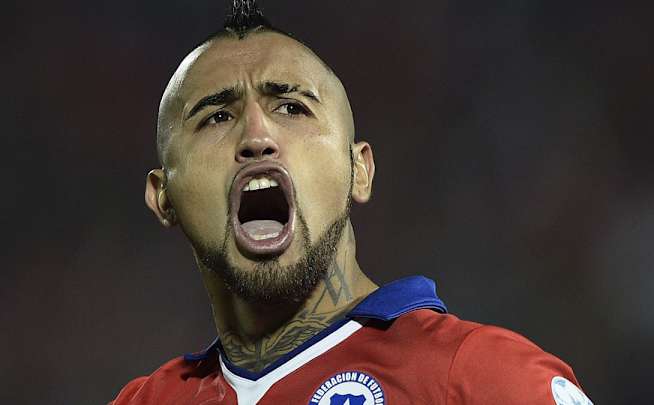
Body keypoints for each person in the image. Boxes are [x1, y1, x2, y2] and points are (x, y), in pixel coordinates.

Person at [110, 1, 593, 404]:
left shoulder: (481, 376)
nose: (256, 137)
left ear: (358, 170)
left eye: (292, 108)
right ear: (163, 197)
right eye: (217, 117)